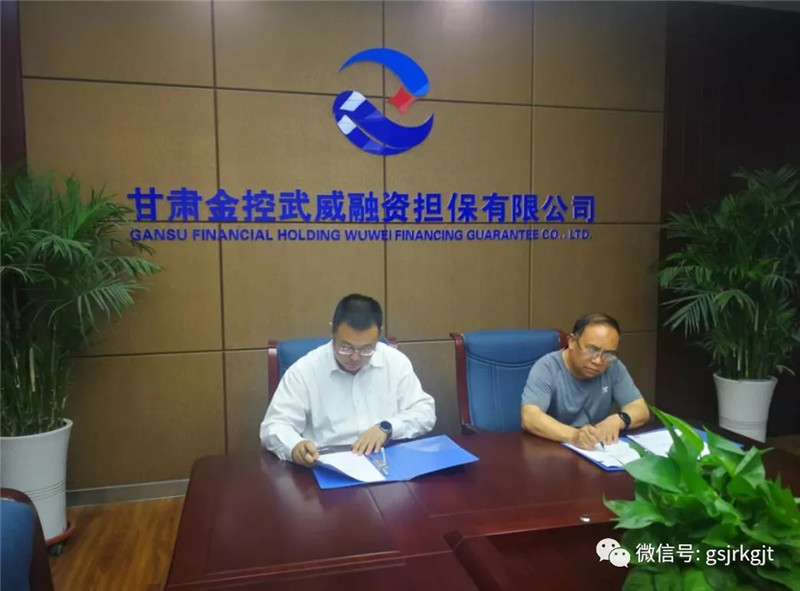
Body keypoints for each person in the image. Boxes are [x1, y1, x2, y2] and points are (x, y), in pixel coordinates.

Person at [260, 294, 436, 466]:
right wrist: (295, 447)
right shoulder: (305, 370)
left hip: (387, 462)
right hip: (328, 465)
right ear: (332, 331)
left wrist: (387, 427)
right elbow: (274, 425)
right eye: (346, 348)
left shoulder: (395, 362)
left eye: (366, 349)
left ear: (379, 334)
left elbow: (425, 411)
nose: (355, 357)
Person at [521, 313, 649, 450]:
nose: (598, 361)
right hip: (553, 449)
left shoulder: (613, 366)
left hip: (595, 450)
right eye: (592, 350)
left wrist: (618, 420)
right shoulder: (548, 367)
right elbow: (530, 417)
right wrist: (574, 436)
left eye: (608, 354)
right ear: (572, 342)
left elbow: (640, 409)